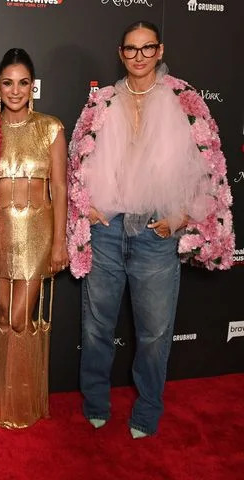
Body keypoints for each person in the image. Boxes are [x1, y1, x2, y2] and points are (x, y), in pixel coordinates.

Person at [68, 20, 234, 438]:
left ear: (160, 51)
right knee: (96, 325)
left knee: (156, 332)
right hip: (106, 230)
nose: (139, 56)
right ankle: (96, 401)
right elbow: (76, 160)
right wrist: (87, 209)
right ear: (120, 53)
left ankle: (147, 410)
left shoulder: (184, 100)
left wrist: (180, 218)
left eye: (147, 48)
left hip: (157, 234)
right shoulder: (102, 101)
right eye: (130, 49)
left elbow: (208, 168)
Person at [0, 48, 67, 429]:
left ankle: (23, 397)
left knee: (19, 318)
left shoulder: (51, 127)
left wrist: (60, 241)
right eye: (8, 83)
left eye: (24, 83)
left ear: (33, 86)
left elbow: (61, 188)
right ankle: (4, 397)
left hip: (37, 235)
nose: (16, 90)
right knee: (3, 318)